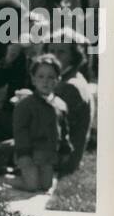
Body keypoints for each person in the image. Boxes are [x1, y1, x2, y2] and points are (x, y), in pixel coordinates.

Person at [12, 55, 72, 192]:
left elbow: (64, 130)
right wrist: (24, 155)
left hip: (47, 155)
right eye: (40, 76)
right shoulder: (25, 105)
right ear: (33, 79)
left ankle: (30, 175)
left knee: (46, 186)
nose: (45, 81)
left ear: (58, 80)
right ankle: (2, 178)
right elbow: (20, 131)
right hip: (29, 153)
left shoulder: (60, 105)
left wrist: (65, 149)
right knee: (32, 185)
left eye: (51, 77)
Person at [48, 32, 93, 176]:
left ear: (74, 56)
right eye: (52, 51)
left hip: (62, 159)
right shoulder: (69, 77)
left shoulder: (71, 86)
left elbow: (52, 130)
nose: (54, 56)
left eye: (61, 52)